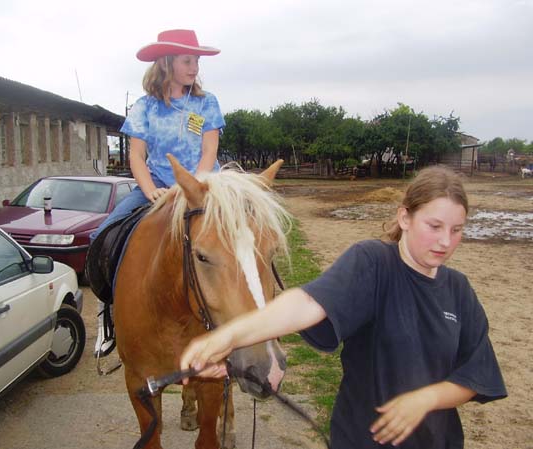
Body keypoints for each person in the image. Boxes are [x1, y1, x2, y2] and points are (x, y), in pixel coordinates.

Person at [180, 166, 507, 449]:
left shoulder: (459, 290)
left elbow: (475, 375)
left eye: (456, 230)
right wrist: (229, 337)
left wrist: (426, 399)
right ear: (404, 217)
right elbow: (305, 303)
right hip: (363, 439)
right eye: (434, 226)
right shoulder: (373, 264)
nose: (445, 242)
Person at [92, 29, 225, 357]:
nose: (195, 67)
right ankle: (108, 317)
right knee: (103, 236)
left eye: (196, 61)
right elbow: (136, 156)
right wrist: (151, 191)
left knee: (247, 232)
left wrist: (191, 188)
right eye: (187, 60)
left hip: (205, 187)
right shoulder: (145, 107)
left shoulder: (206, 103)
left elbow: (209, 149)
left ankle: (251, 308)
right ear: (167, 63)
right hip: (156, 188)